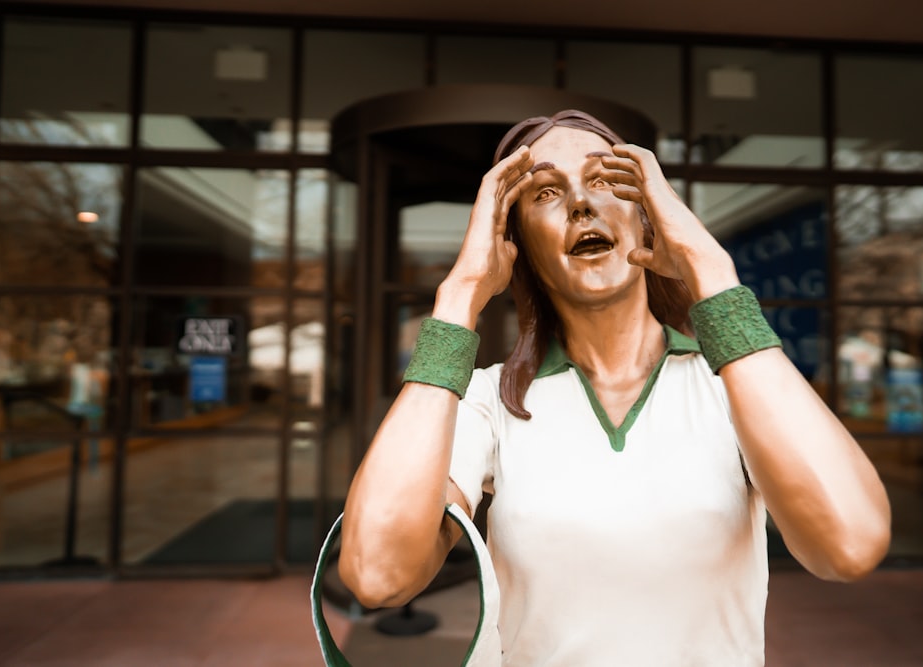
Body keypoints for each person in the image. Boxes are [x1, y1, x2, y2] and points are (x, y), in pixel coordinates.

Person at [337, 110, 891, 665]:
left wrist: (712, 271)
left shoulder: (734, 388)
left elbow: (849, 545)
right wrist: (459, 294)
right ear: (520, 245)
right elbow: (377, 575)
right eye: (546, 193)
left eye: (606, 180)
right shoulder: (489, 403)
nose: (581, 202)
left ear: (648, 220)